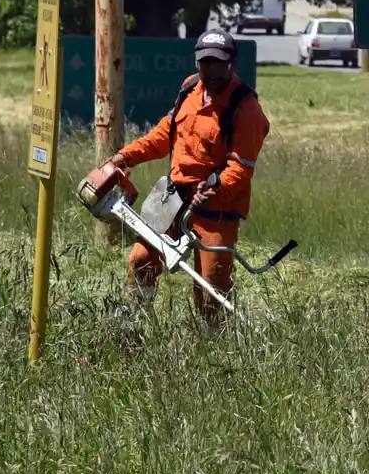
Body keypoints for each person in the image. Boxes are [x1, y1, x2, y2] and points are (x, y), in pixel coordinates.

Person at [102, 30, 270, 323]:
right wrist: (124, 157)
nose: (212, 71)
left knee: (211, 286)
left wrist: (217, 188)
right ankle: (132, 326)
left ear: (232, 63)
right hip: (173, 197)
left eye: (219, 64)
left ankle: (213, 340)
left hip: (217, 208)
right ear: (196, 63)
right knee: (141, 261)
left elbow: (241, 168)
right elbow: (163, 135)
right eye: (206, 63)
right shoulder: (189, 89)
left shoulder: (247, 109)